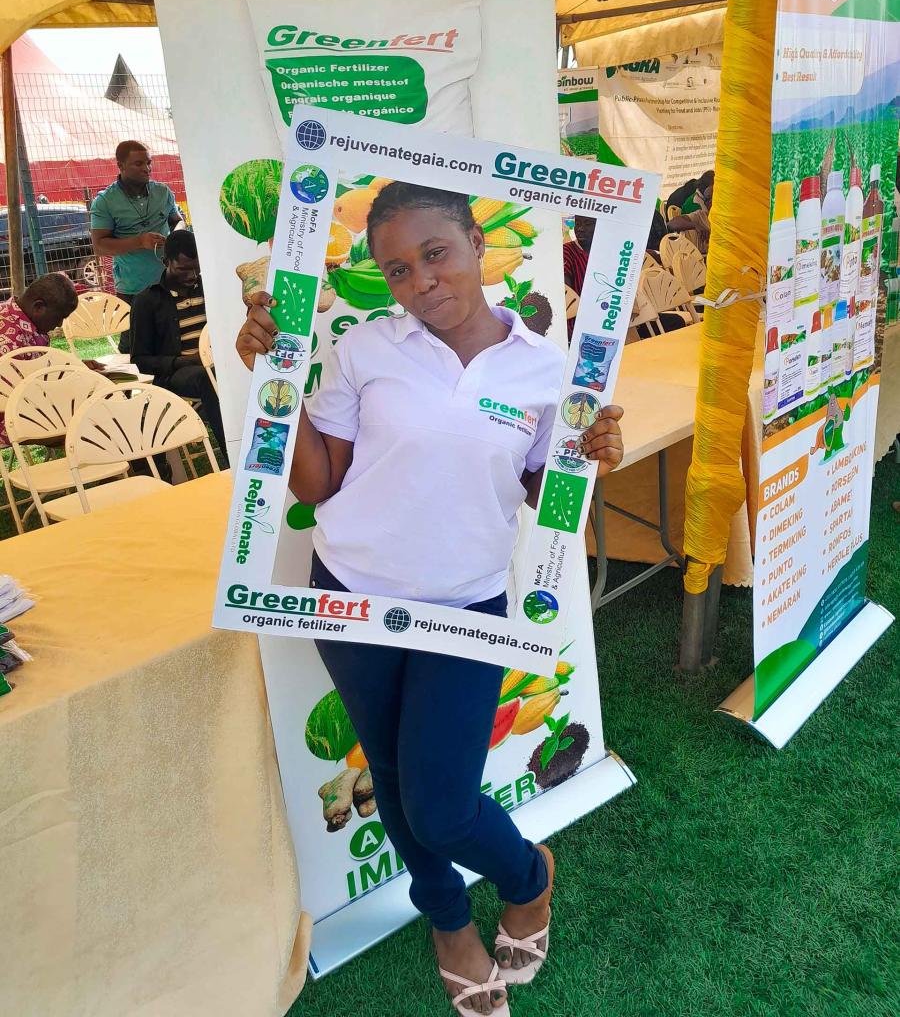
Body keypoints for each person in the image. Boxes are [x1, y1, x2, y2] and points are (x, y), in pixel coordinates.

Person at [236, 183, 625, 1016]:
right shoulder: (365, 348)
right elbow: (318, 482)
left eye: (436, 254)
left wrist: (589, 456)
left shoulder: (548, 371)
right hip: (350, 596)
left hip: (467, 605)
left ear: (476, 241)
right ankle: (447, 917)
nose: (421, 282)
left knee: (442, 807)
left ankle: (529, 876)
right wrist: (275, 380)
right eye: (398, 269)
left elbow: (543, 496)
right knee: (391, 775)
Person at [129, 229, 225, 450]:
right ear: (166, 262)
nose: (192, 275)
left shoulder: (210, 289)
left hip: (219, 364)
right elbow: (140, 360)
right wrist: (184, 361)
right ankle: (232, 450)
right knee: (207, 377)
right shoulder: (147, 301)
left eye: (197, 268)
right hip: (178, 372)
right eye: (183, 269)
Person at [90, 141, 182, 308]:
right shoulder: (105, 201)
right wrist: (140, 242)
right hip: (132, 289)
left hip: (169, 282)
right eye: (139, 164)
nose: (147, 168)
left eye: (149, 162)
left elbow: (178, 221)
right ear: (121, 165)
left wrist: (175, 238)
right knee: (136, 327)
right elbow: (99, 246)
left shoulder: (163, 192)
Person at [0, 272, 78, 447]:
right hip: (10, 415)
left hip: (32, 403)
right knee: (84, 428)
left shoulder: (27, 321)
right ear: (39, 307)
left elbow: (39, 373)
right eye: (59, 317)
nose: (59, 324)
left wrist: (73, 369)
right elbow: (24, 395)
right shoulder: (8, 339)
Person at [562, 215, 593, 340]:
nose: (580, 228)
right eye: (577, 223)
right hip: (576, 325)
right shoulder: (567, 251)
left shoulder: (608, 252)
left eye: (588, 223)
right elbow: (567, 295)